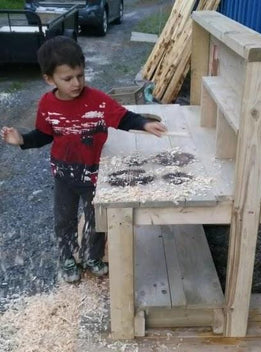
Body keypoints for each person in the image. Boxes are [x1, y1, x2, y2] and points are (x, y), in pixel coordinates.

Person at [0, 36, 167, 283]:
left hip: (95, 174)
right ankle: (67, 258)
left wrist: (144, 123)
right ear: (49, 79)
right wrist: (22, 140)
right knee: (64, 220)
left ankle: (92, 256)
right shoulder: (47, 104)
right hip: (64, 174)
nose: (76, 83)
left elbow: (123, 117)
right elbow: (44, 135)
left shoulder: (98, 101)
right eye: (67, 79)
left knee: (96, 218)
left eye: (80, 75)